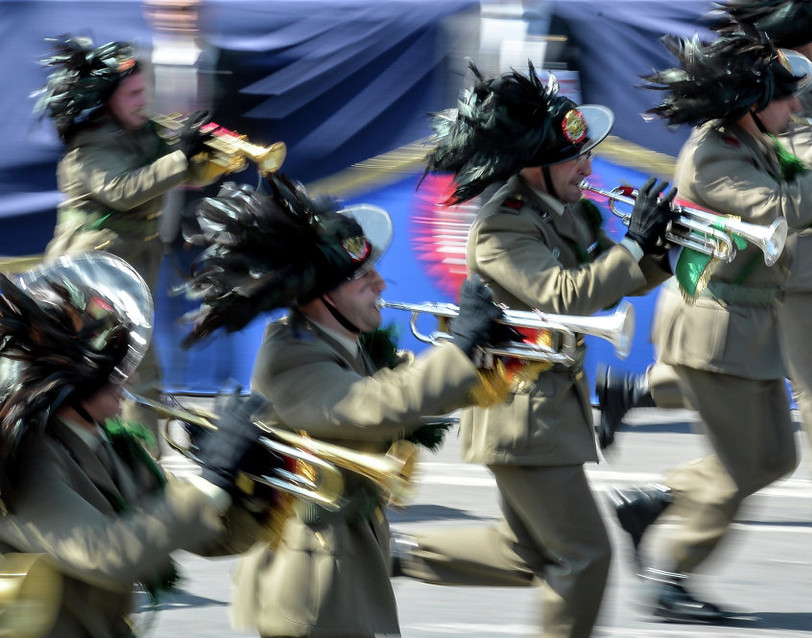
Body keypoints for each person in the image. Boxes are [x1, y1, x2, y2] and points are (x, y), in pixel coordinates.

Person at [601, 30, 812, 622]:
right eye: (786, 99)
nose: (796, 108)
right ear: (750, 104)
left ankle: (655, 502)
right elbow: (788, 209)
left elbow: (808, 175)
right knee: (742, 467)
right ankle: (671, 580)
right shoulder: (715, 155)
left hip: (750, 322)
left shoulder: (756, 138)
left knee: (774, 460)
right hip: (713, 329)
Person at [389, 63, 678, 638]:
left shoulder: (563, 211)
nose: (588, 168)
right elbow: (566, 297)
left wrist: (661, 251)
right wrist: (634, 245)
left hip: (545, 407)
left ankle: (394, 555)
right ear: (534, 167)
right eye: (576, 159)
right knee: (586, 556)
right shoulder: (504, 229)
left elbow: (609, 276)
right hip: (520, 412)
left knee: (526, 553)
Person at [174, 172, 509, 638]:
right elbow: (376, 404)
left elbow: (409, 383)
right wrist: (460, 347)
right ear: (321, 297)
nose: (380, 282)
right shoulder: (290, 358)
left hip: (345, 565)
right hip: (308, 585)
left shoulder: (347, 341)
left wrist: (493, 355)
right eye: (360, 277)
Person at [0, 251, 271, 638]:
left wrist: (246, 484)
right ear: (64, 383)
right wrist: (211, 480)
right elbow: (109, 553)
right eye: (110, 373)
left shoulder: (108, 443)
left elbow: (208, 537)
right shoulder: (28, 460)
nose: (126, 381)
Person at [33, 35, 219, 458]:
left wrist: (199, 151)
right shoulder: (90, 144)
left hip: (133, 268)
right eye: (134, 93)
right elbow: (125, 190)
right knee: (94, 373)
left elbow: (183, 173)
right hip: (89, 276)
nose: (144, 99)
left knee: (141, 371)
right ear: (108, 98)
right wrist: (179, 158)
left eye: (146, 90)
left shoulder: (145, 131)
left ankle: (143, 469)